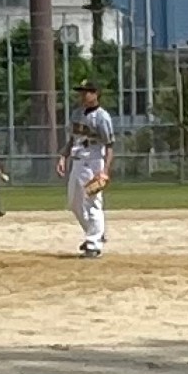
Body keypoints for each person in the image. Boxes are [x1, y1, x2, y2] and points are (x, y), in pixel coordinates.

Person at [56, 80, 115, 258]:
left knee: (93, 202)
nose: (82, 95)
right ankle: (96, 232)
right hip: (78, 160)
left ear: (96, 94)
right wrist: (63, 157)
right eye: (81, 92)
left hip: (94, 161)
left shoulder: (102, 117)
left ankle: (94, 244)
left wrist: (105, 170)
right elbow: (73, 139)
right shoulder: (77, 113)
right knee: (74, 203)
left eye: (86, 92)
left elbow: (110, 146)